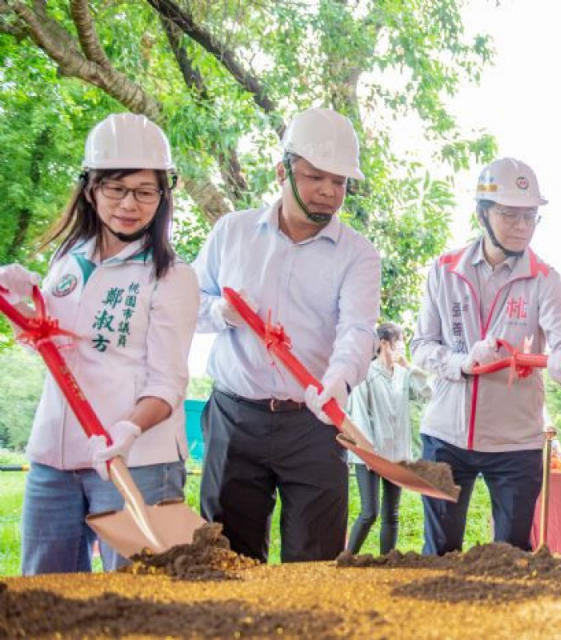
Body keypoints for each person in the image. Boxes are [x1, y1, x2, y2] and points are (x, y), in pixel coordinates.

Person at [0, 113, 199, 575]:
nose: (129, 204)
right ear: (91, 187)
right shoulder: (68, 260)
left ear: (163, 196)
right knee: (47, 596)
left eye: (145, 191)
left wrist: (126, 430)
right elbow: (54, 350)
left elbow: (168, 382)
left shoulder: (172, 276)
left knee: (138, 600)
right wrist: (25, 313)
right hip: (56, 456)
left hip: (136, 460)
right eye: (116, 188)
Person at [193, 106, 380, 562]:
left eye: (339, 182)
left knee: (315, 564)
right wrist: (220, 311)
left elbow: (357, 330)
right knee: (226, 559)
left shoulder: (358, 254)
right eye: (316, 177)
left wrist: (338, 381)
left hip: (315, 427)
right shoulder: (232, 233)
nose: (329, 192)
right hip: (234, 418)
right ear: (283, 171)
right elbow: (185, 309)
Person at [411, 157, 561, 555]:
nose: (523, 227)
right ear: (482, 213)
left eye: (530, 217)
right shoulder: (443, 271)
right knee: (438, 553)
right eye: (510, 216)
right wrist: (461, 363)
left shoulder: (545, 279)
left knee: (512, 556)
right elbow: (420, 346)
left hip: (516, 444)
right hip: (445, 438)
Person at [345, 322, 429, 554]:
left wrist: (409, 366)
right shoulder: (366, 375)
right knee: (369, 512)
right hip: (369, 456)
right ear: (384, 344)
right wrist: (369, 453)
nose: (403, 346)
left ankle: (386, 564)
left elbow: (427, 393)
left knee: (391, 515)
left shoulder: (403, 375)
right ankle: (345, 559)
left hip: (397, 456)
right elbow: (359, 415)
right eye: (399, 341)